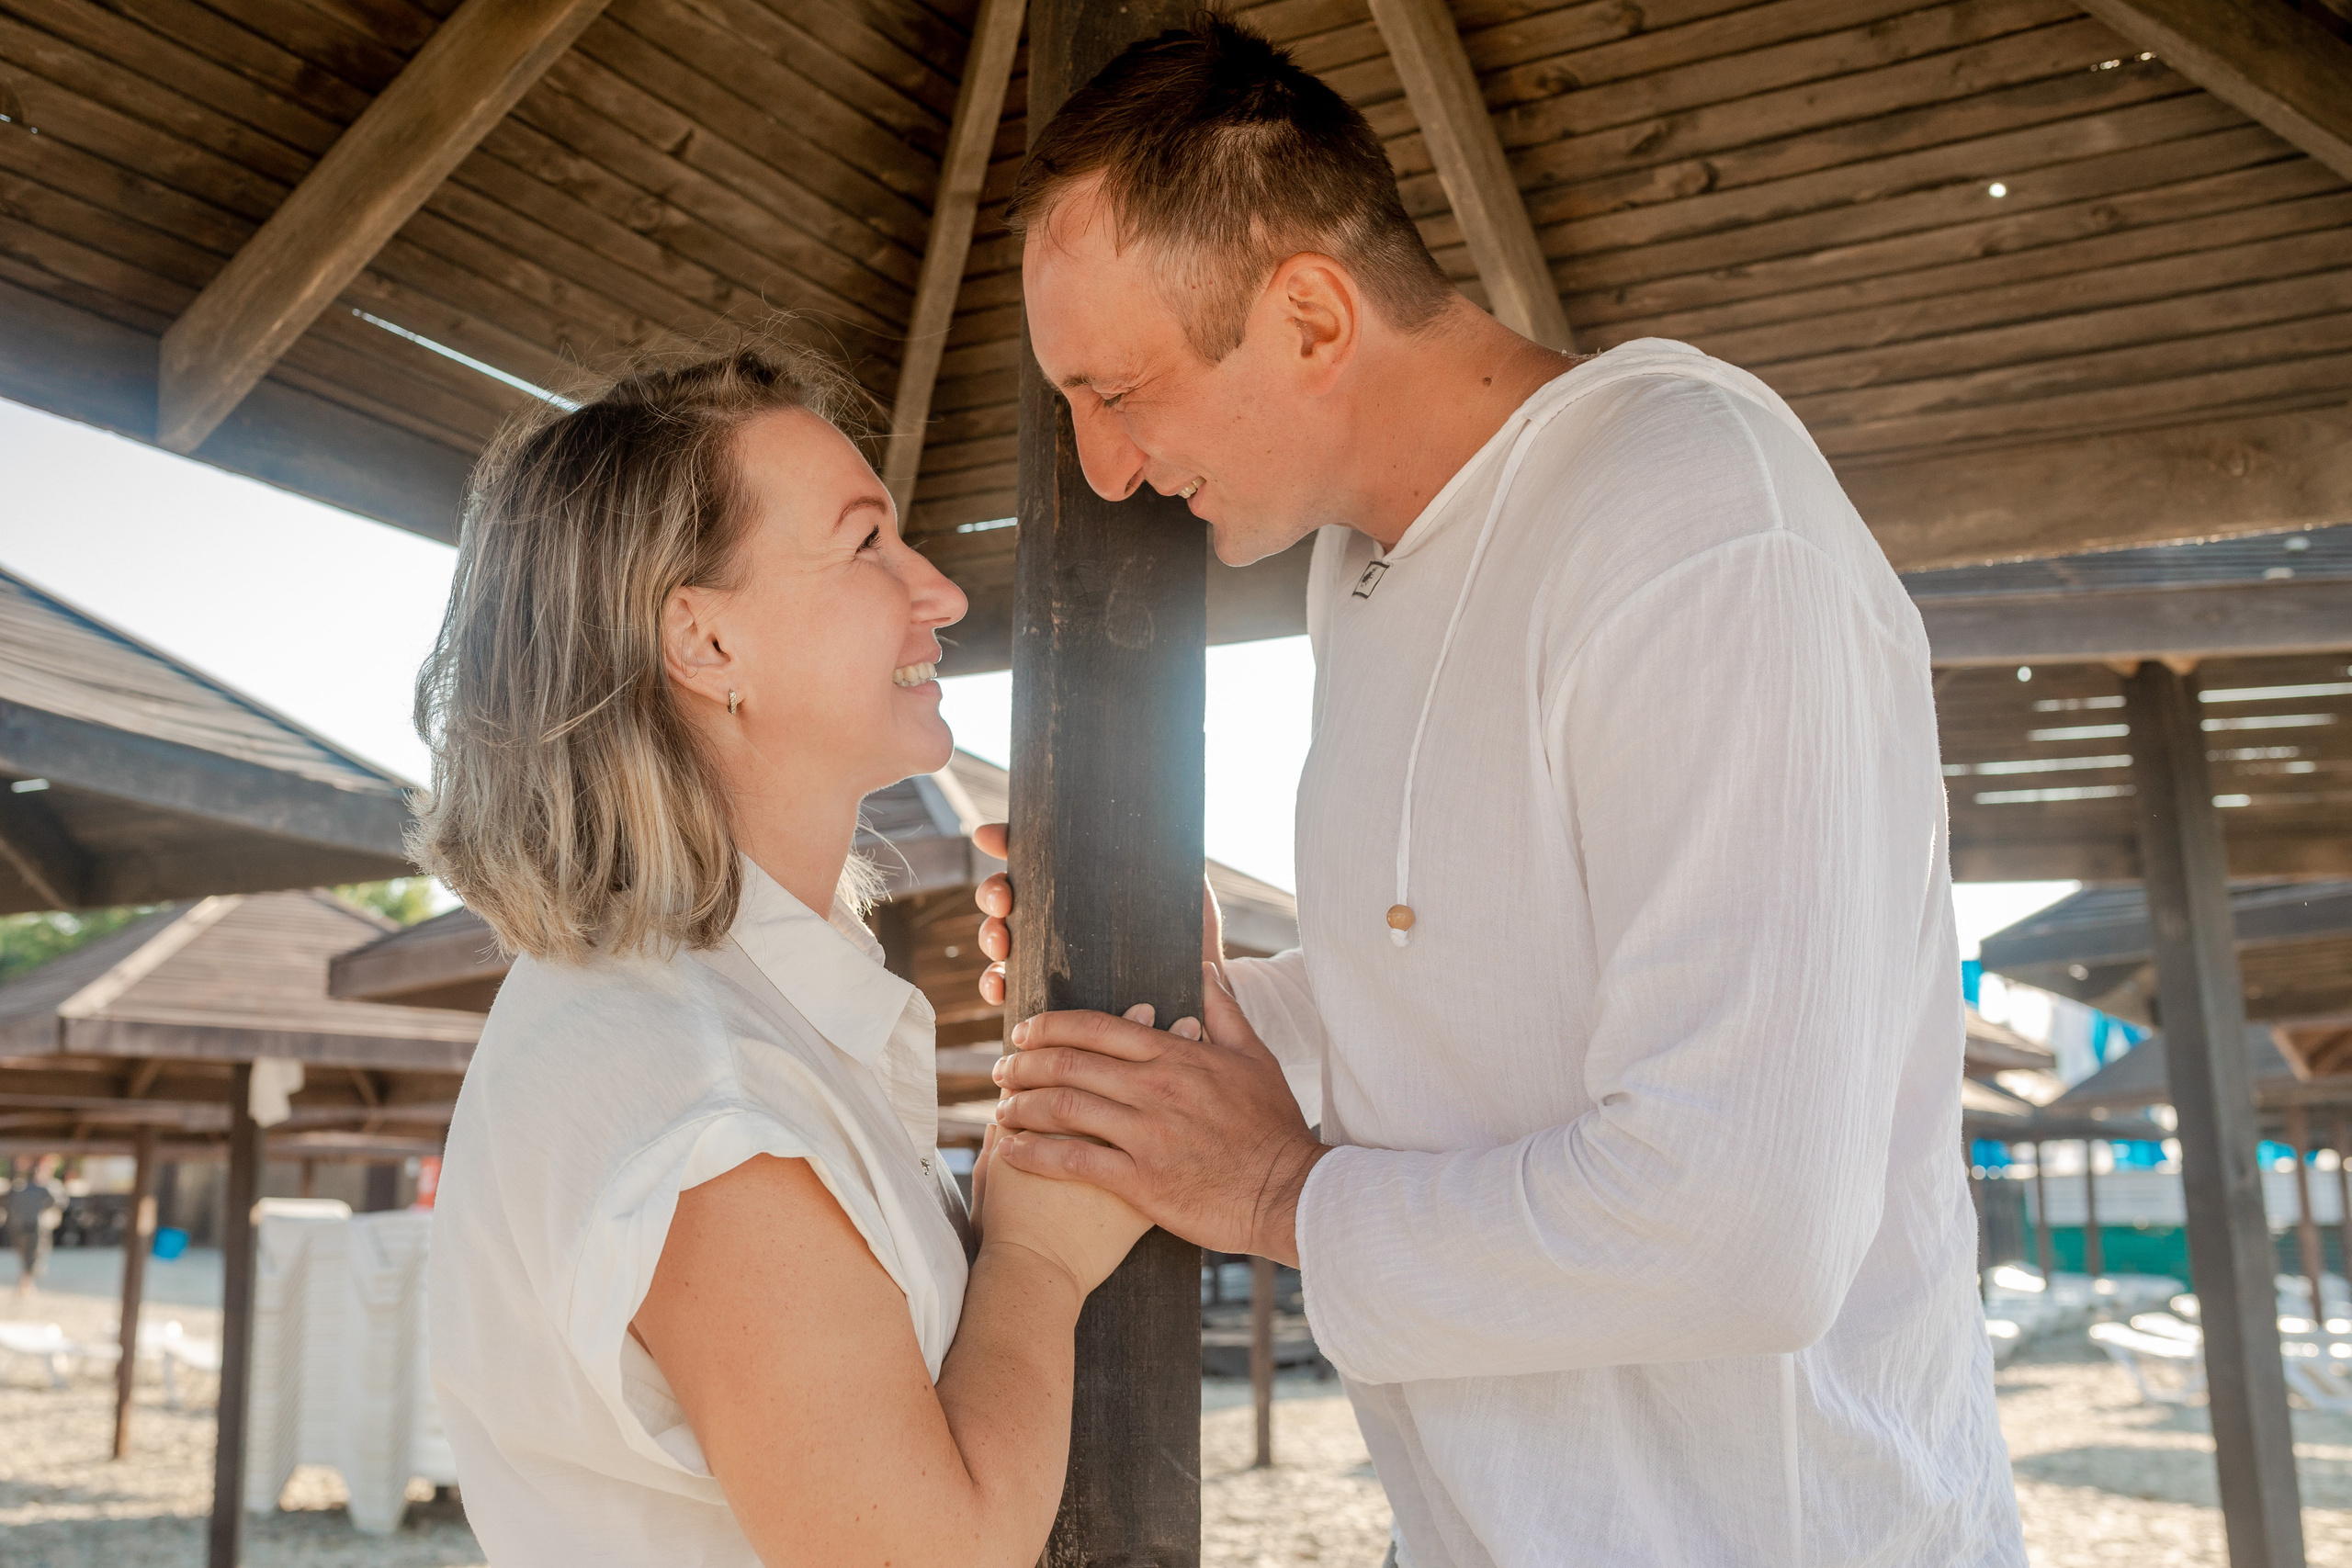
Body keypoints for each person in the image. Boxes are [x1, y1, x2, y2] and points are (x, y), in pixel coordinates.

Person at [975, 19, 2023, 1567]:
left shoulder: (1697, 519)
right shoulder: (1363, 571)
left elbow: (1742, 1222)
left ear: (1315, 317)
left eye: (1121, 389)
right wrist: (1217, 1016)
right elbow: (1486, 993)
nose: (1107, 467)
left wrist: (1274, 1193)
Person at [417, 345, 1149, 1567]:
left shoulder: (708, 1020)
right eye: (867, 544)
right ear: (703, 644)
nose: (938, 591)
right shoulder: (702, 1098)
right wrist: (1036, 1258)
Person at [7, 1157, 62, 1297]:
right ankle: (27, 1282)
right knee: (34, 1253)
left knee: (26, 1253)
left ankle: (25, 1282)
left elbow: (8, 1204)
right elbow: (56, 1202)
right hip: (35, 1225)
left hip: (19, 1225)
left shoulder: (18, 1189)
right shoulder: (42, 1189)